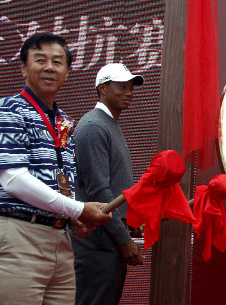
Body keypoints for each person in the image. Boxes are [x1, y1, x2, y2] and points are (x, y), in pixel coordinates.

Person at [0, 33, 113, 304]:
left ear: (67, 72)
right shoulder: (8, 110)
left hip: (59, 237)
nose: (50, 67)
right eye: (40, 60)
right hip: (15, 233)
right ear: (23, 67)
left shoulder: (64, 120)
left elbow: (61, 181)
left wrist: (71, 218)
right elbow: (13, 180)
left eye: (58, 61)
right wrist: (77, 209)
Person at [71, 62, 145, 305]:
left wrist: (129, 226)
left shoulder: (108, 123)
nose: (129, 92)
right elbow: (99, 192)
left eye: (131, 87)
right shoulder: (93, 126)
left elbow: (113, 188)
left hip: (108, 236)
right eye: (121, 86)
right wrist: (123, 240)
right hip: (98, 239)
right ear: (102, 89)